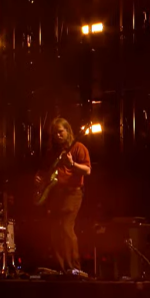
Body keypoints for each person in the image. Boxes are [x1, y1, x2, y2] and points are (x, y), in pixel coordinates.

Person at [35, 118, 91, 276]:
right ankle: (61, 267)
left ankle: (74, 267)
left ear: (68, 131)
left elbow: (87, 171)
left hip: (72, 192)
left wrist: (72, 164)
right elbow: (44, 171)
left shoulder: (79, 148)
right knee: (55, 230)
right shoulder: (52, 152)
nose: (58, 135)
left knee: (66, 227)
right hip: (55, 194)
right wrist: (38, 178)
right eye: (55, 133)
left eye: (61, 131)